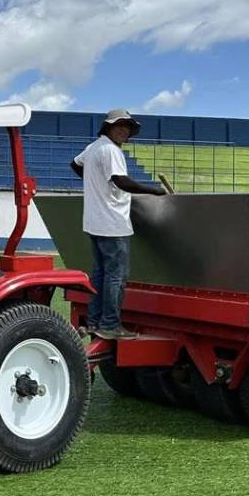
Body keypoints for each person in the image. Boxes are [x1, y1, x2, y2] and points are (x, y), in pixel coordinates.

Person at [70, 108, 166, 340]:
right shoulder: (111, 151)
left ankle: (94, 322)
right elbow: (120, 181)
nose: (124, 130)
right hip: (112, 222)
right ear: (108, 127)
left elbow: (75, 164)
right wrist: (152, 191)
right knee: (116, 277)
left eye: (128, 127)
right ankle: (110, 325)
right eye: (120, 125)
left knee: (100, 274)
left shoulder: (93, 148)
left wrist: (95, 184)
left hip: (94, 221)